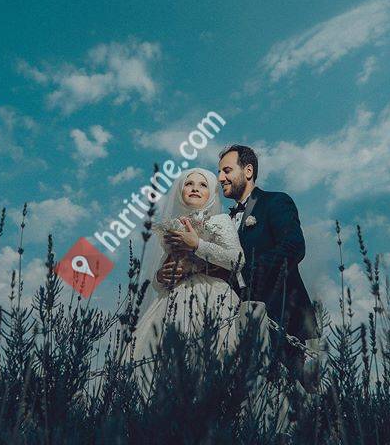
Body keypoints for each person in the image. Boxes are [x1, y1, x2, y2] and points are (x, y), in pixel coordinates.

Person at [157, 144, 320, 386]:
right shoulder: (218, 221)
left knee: (298, 396)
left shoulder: (275, 202)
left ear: (248, 171)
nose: (220, 178)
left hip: (281, 316)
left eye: (227, 170)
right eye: (219, 172)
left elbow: (293, 247)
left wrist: (245, 271)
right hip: (233, 322)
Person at [125, 167, 247, 395]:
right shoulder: (172, 226)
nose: (194, 188)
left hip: (212, 297)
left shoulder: (220, 221)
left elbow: (236, 259)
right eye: (188, 184)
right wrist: (161, 277)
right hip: (172, 301)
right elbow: (163, 271)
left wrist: (197, 245)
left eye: (203, 185)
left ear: (212, 193)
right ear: (180, 191)